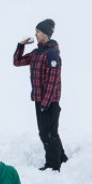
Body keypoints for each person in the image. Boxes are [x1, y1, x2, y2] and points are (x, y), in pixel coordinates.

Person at [13, 18, 67, 171]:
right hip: (39, 99)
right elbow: (17, 61)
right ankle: (61, 158)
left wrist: (45, 103)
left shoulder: (52, 54)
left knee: (48, 134)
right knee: (48, 132)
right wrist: (21, 45)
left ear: (45, 34)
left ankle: (53, 164)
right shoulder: (38, 53)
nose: (35, 34)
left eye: (38, 31)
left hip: (49, 101)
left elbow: (52, 81)